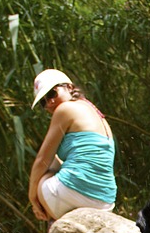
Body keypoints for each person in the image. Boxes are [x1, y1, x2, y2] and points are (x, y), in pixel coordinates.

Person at [28, 69, 117, 221]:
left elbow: (42, 160)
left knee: (42, 178)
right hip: (105, 200)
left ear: (69, 87)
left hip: (75, 192)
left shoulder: (65, 109)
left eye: (52, 93)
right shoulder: (94, 112)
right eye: (43, 101)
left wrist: (32, 198)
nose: (49, 102)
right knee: (56, 162)